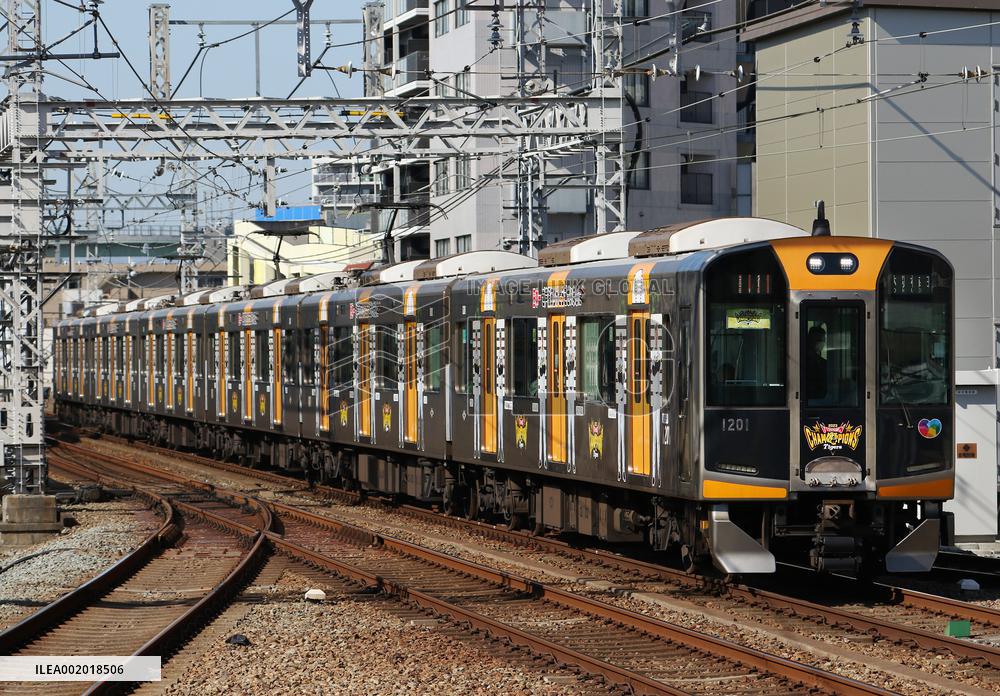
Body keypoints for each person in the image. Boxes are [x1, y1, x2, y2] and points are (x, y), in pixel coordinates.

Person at [805, 325, 827, 400]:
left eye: (823, 340)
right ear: (810, 340)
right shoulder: (804, 360)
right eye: (818, 339)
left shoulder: (823, 362)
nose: (822, 342)